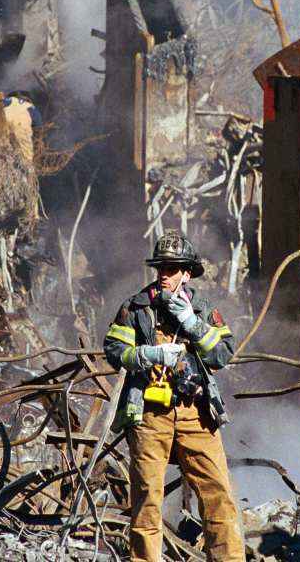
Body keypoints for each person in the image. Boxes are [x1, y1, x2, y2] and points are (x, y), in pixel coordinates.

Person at [104, 230, 245, 562]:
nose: (165, 274)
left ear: (187, 272)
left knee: (218, 496)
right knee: (147, 500)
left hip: (197, 414)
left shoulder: (202, 309)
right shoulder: (136, 307)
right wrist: (149, 355)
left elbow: (222, 354)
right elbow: (114, 351)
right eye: (161, 267)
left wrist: (192, 323)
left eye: (173, 268)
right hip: (150, 416)